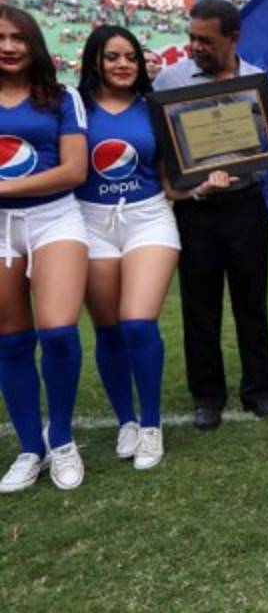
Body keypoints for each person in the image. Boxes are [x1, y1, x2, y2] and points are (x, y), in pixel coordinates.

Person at [155, 0, 268, 430]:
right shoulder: (169, 79)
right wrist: (189, 186)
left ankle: (258, 390)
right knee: (200, 307)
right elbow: (164, 149)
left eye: (206, 40)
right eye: (192, 37)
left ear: (233, 38)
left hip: (246, 204)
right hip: (197, 208)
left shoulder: (259, 80)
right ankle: (207, 397)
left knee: (252, 303)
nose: (195, 46)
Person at [75, 25, 181, 470]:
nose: (123, 65)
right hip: (88, 221)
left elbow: (171, 177)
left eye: (131, 58)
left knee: (138, 323)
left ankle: (152, 424)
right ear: (95, 60)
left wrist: (205, 183)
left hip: (148, 217)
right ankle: (127, 422)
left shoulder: (153, 108)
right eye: (112, 56)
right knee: (109, 330)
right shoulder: (72, 107)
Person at [0, 3, 89, 493]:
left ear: (34, 43)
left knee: (57, 332)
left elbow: (75, 170)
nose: (9, 47)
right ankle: (30, 448)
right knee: (11, 341)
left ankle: (62, 438)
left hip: (54, 217)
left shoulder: (61, 97)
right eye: (1, 38)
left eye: (18, 38)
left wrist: (6, 188)